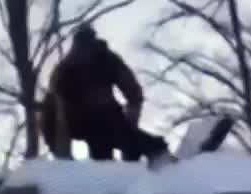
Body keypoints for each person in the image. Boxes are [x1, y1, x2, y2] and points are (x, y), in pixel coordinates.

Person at [40, 24, 172, 165]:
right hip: (100, 116)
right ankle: (156, 153)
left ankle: (153, 155)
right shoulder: (100, 57)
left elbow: (51, 105)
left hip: (84, 120)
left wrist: (59, 150)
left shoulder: (67, 64)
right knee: (122, 143)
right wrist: (132, 116)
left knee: (106, 155)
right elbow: (131, 89)